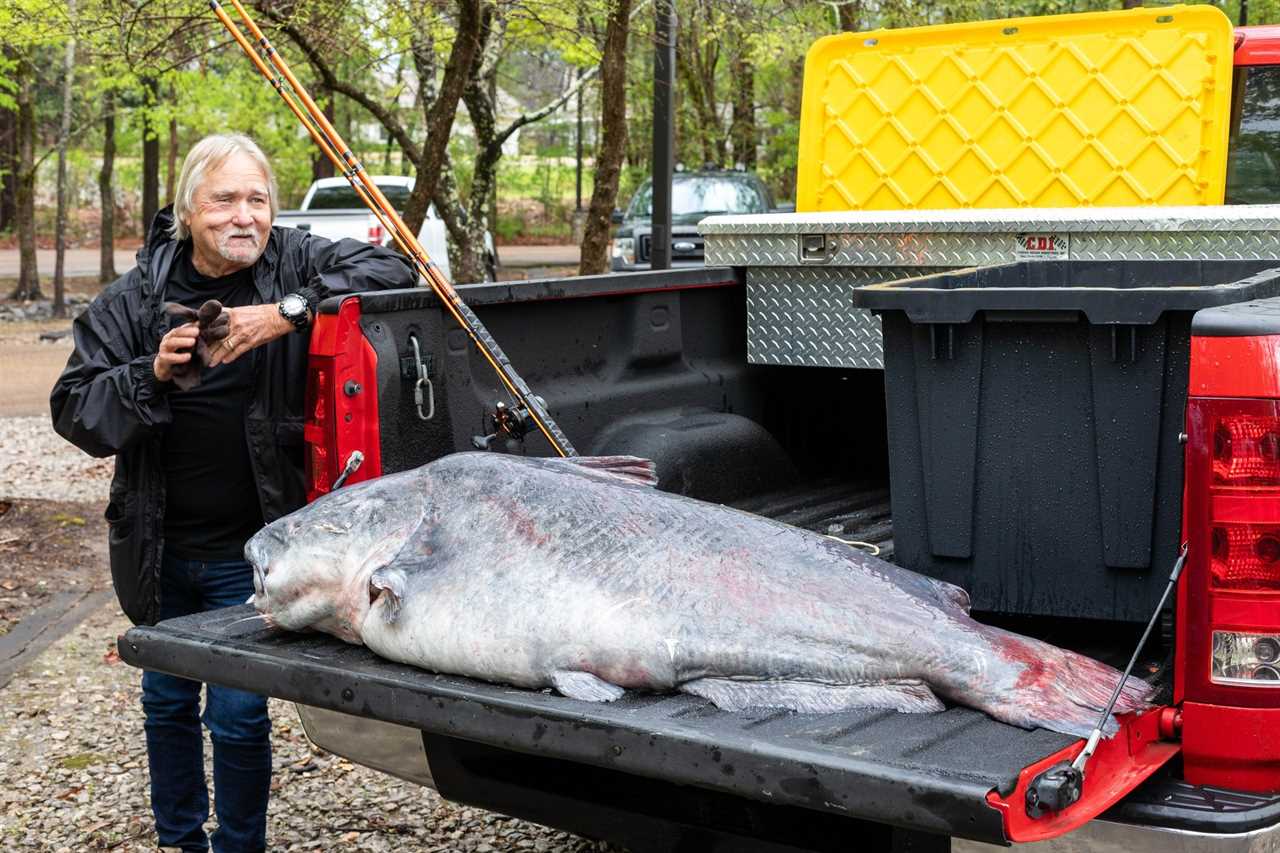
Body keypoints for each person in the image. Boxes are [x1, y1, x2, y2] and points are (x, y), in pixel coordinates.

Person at [50, 133, 417, 853]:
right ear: (188, 211)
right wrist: (149, 372)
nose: (244, 215)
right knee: (166, 703)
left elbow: (394, 266)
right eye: (224, 199)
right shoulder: (135, 298)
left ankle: (240, 844)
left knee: (243, 713)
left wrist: (288, 310)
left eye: (258, 198)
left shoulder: (295, 260)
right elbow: (74, 408)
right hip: (160, 544)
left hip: (253, 547)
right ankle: (180, 840)